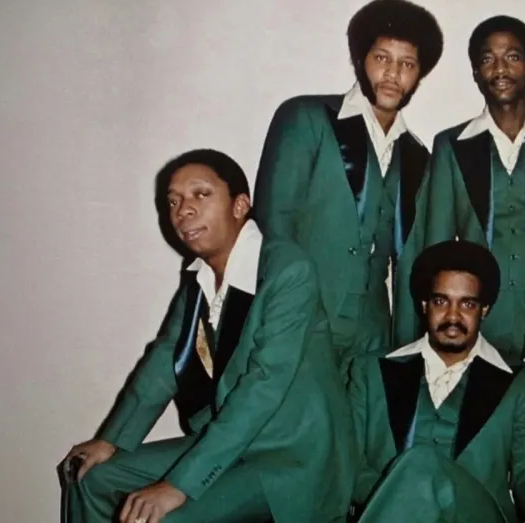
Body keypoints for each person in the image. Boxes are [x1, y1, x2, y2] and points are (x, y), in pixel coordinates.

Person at [60, 149, 355, 523]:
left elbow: (263, 387)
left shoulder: (286, 271)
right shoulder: (199, 279)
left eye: (200, 194)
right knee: (93, 477)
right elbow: (166, 361)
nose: (183, 210)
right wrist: (112, 440)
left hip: (289, 458)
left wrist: (179, 486)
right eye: (173, 201)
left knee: (163, 517)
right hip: (229, 445)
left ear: (240, 205)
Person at [252, 0, 442, 368]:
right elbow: (274, 226)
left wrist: (404, 349)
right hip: (300, 320)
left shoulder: (418, 155)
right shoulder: (306, 117)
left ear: (419, 75)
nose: (393, 74)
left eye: (407, 64)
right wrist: (285, 315)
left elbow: (411, 261)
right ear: (360, 59)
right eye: (382, 58)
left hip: (373, 337)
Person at [347, 240, 525, 523]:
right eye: (441, 301)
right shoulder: (371, 371)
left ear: (484, 310)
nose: (453, 316)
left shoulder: (522, 383)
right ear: (425, 305)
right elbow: (348, 464)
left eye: (467, 304)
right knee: (420, 465)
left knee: (421, 461)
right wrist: (408, 497)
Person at [393, 15, 525, 365]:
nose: (500, 69)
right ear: (475, 71)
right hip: (476, 329)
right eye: (488, 59)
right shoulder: (452, 145)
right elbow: (435, 247)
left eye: (512, 57)